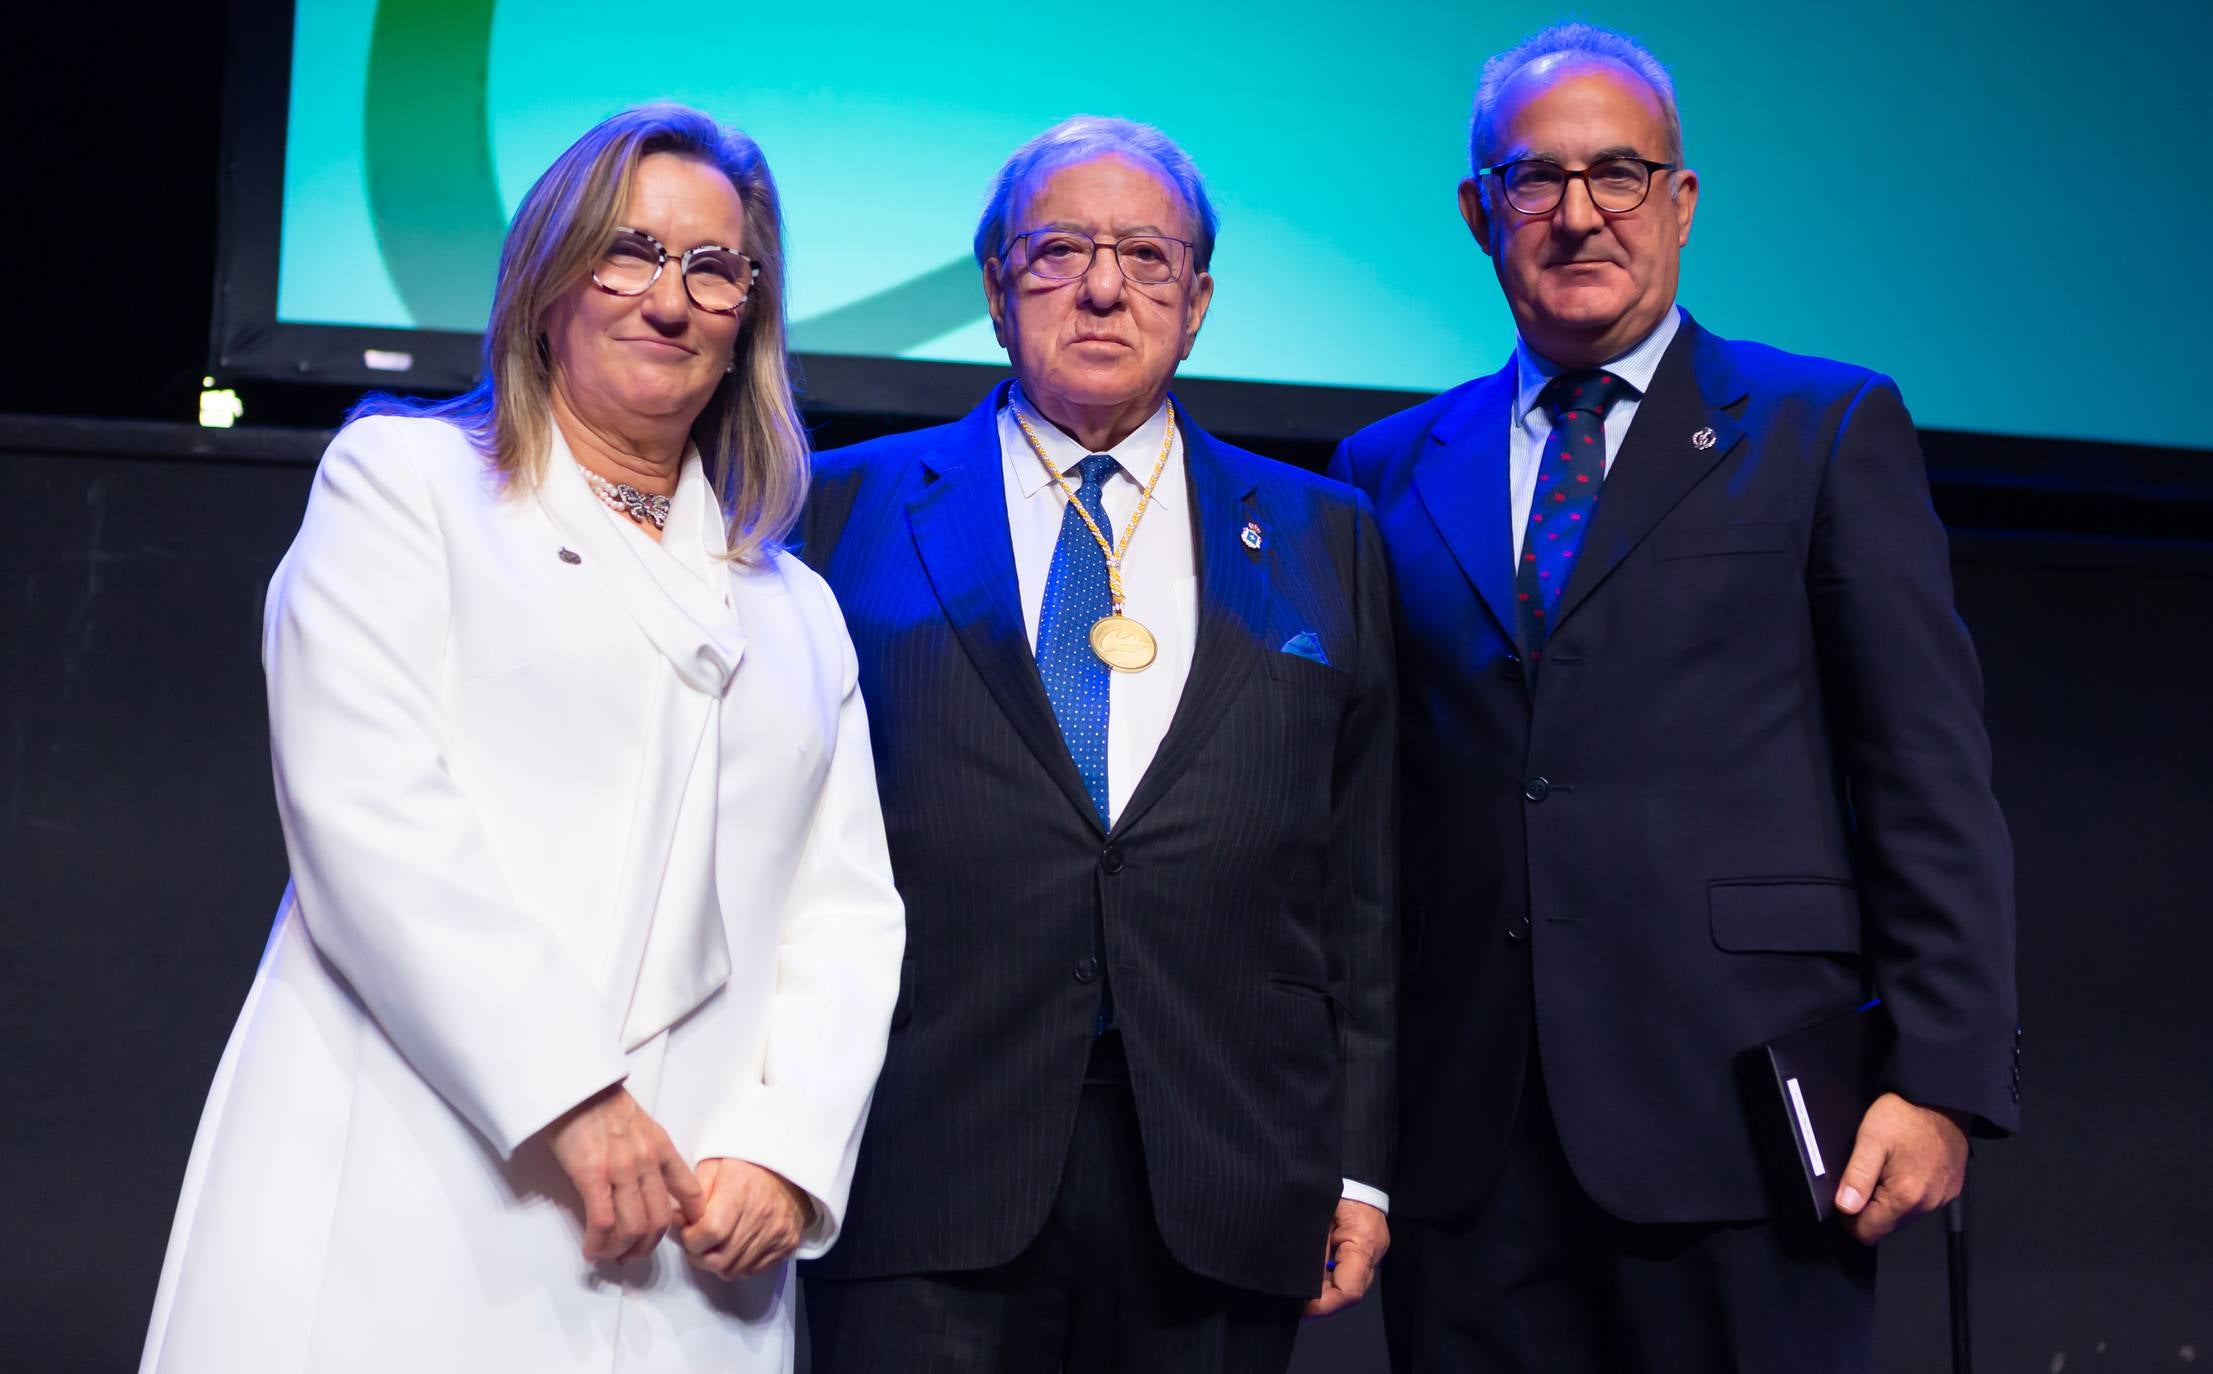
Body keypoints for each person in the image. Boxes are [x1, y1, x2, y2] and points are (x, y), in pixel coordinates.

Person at [139, 105, 906, 1373]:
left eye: (711, 268)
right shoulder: (406, 490)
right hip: (415, 1177)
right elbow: (369, 810)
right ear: (547, 280)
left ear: (747, 321)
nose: (669, 300)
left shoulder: (796, 610)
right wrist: (564, 1089)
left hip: (691, 1242)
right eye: (627, 252)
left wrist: (787, 1146)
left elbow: (845, 910)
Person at [1328, 23, 2019, 1373]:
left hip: (1744, 1137)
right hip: (1470, 1144)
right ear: (1478, 214)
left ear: (1682, 201)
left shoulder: (1823, 429)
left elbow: (1926, 777)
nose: (1578, 213)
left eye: (1620, 174)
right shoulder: (1384, 465)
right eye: (1534, 180)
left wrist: (1938, 1075)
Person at [794, 116, 1396, 1373]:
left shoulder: (1322, 531)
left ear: (1199, 300)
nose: (1105, 287)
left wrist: (1359, 1166)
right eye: (1058, 250)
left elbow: (1363, 884)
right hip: (921, 1155)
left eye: (1146, 256)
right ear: (995, 290)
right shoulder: (839, 505)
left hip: (1223, 1168)